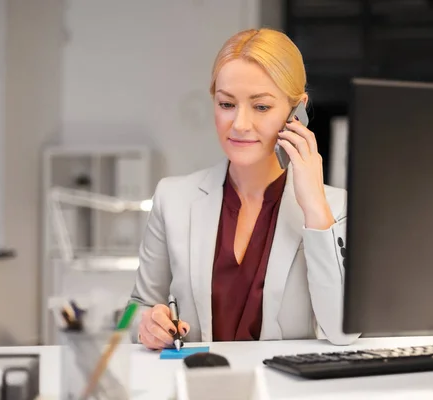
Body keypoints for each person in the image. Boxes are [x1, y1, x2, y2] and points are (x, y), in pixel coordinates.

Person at [129, 28, 359, 349]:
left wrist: (314, 208)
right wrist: (142, 324)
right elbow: (133, 308)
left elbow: (343, 332)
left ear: (298, 112)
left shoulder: (336, 208)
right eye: (226, 104)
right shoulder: (173, 198)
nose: (239, 124)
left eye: (261, 107)